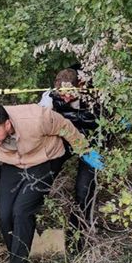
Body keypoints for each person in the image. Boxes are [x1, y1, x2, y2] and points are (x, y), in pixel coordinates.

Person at [0, 102, 104, 263]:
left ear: (7, 124)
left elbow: (66, 126)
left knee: (22, 211)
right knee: (5, 215)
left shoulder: (37, 118)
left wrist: (85, 150)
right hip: (13, 161)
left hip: (44, 159)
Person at [39, 68, 104, 251]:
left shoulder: (95, 94)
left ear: (80, 85)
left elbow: (99, 120)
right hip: (65, 139)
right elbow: (42, 119)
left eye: (70, 95)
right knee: (43, 177)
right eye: (62, 95)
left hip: (91, 144)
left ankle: (78, 240)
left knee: (84, 191)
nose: (65, 99)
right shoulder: (50, 96)